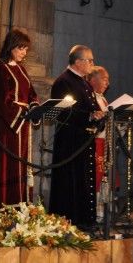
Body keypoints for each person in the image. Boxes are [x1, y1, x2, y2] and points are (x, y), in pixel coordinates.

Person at [0, 30, 39, 215]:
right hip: (7, 127)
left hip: (22, 127)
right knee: (6, 167)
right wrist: (24, 111)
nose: (24, 52)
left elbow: (31, 93)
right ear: (11, 46)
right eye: (21, 48)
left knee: (21, 168)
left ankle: (21, 211)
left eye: (26, 49)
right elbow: (2, 101)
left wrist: (35, 106)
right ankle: (2, 214)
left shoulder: (21, 69)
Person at [49, 45, 105, 227]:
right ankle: (68, 223)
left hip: (83, 141)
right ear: (79, 62)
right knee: (69, 183)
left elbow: (90, 108)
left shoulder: (84, 82)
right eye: (90, 60)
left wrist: (98, 116)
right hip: (69, 142)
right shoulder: (63, 82)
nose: (92, 64)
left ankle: (84, 221)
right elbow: (64, 112)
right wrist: (89, 116)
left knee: (84, 182)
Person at [87, 66, 112, 222]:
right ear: (93, 80)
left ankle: (102, 211)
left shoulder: (102, 98)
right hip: (94, 143)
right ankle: (92, 212)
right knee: (94, 178)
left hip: (104, 143)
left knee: (104, 177)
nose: (107, 83)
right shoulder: (90, 97)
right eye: (104, 79)